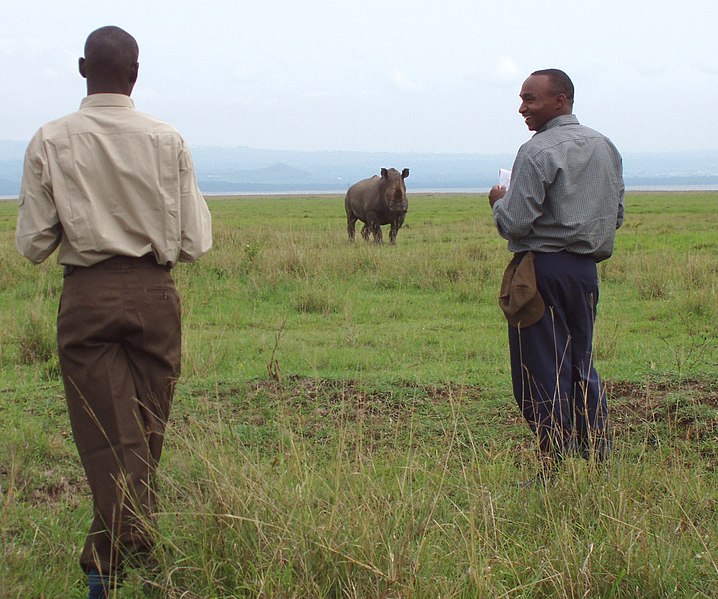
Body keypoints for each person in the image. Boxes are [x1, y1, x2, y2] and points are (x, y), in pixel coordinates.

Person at [16, 26, 212, 597]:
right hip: (156, 294)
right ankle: (134, 556)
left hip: (89, 294)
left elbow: (33, 243)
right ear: (136, 72)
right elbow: (196, 240)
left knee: (109, 438)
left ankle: (108, 567)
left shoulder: (51, 140)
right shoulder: (167, 139)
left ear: (82, 68)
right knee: (144, 434)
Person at [488, 68, 624, 481]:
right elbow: (615, 216)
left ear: (560, 100)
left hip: (541, 270)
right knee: (580, 361)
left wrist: (498, 202)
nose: (522, 107)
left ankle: (552, 465)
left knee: (542, 365)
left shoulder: (537, 151)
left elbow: (514, 223)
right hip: (585, 273)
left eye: (531, 99)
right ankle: (597, 455)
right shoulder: (605, 147)